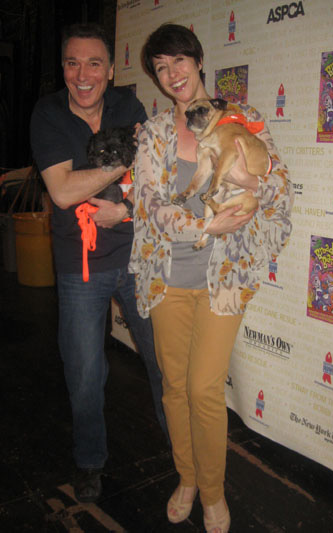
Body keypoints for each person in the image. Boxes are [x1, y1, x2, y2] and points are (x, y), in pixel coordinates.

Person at [129, 23, 294, 533]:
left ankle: (215, 493)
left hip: (222, 280)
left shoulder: (244, 120)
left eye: (178, 61)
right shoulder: (155, 133)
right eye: (160, 68)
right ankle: (187, 479)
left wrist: (250, 180)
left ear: (198, 61)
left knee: (203, 388)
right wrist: (205, 225)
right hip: (165, 279)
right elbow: (151, 204)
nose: (172, 74)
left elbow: (282, 192)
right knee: (174, 387)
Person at [30, 23, 167, 503]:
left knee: (162, 362)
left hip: (136, 257)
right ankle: (90, 460)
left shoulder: (129, 106)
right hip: (78, 265)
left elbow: (152, 174)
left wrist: (126, 207)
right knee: (85, 372)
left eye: (93, 64)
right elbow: (63, 192)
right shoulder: (47, 114)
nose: (82, 75)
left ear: (110, 70)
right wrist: (118, 160)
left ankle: (185, 457)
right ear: (63, 69)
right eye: (72, 63)